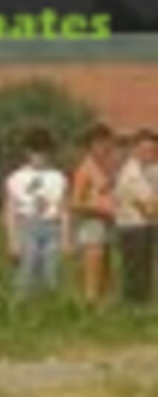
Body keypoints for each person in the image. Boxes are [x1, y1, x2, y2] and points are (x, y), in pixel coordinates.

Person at [3, 127, 71, 298]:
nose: (40, 156)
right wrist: (12, 240)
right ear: (27, 152)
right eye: (35, 151)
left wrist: (66, 238)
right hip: (27, 225)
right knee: (26, 272)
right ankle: (23, 305)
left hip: (52, 226)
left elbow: (64, 209)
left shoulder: (58, 177)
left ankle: (49, 304)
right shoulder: (16, 178)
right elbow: (10, 210)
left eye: (44, 152)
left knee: (51, 274)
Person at [70, 124, 118, 306]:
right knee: (93, 262)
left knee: (106, 265)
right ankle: (90, 302)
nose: (105, 147)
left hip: (108, 222)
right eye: (100, 143)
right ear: (90, 145)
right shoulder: (85, 169)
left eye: (107, 143)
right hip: (92, 223)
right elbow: (75, 203)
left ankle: (103, 303)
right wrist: (101, 209)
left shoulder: (108, 167)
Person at [113, 129, 158, 304]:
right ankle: (132, 304)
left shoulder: (153, 170)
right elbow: (145, 206)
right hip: (132, 226)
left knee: (146, 266)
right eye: (146, 149)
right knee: (134, 267)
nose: (150, 153)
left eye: (153, 150)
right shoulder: (129, 173)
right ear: (136, 149)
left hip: (149, 225)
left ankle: (144, 302)